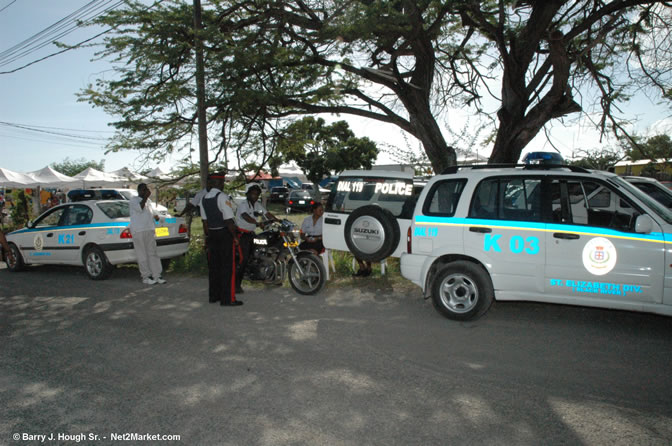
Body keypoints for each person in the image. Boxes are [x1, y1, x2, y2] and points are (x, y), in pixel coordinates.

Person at [200, 174, 242, 306]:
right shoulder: (222, 197)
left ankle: (214, 296)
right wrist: (235, 237)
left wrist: (208, 237)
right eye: (222, 182)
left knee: (214, 267)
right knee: (227, 267)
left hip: (212, 234)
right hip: (224, 234)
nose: (223, 184)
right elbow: (229, 220)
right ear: (218, 183)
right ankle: (227, 299)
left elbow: (204, 221)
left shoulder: (204, 198)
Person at [235, 182, 279, 294]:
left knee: (263, 251)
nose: (255, 196)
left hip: (251, 233)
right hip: (242, 234)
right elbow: (245, 216)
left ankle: (266, 275)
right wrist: (257, 223)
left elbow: (267, 213)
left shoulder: (257, 204)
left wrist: (278, 220)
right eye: (253, 193)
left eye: (257, 194)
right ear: (248, 194)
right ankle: (236, 285)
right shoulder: (243, 204)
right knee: (243, 259)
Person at [129, 183, 165, 285]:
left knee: (153, 253)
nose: (146, 191)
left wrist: (157, 217)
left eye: (147, 189)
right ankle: (146, 277)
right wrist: (145, 197)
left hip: (149, 230)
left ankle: (157, 275)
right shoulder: (133, 200)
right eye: (144, 190)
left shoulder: (148, 201)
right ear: (139, 191)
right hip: (138, 231)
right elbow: (140, 209)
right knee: (142, 254)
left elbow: (154, 213)